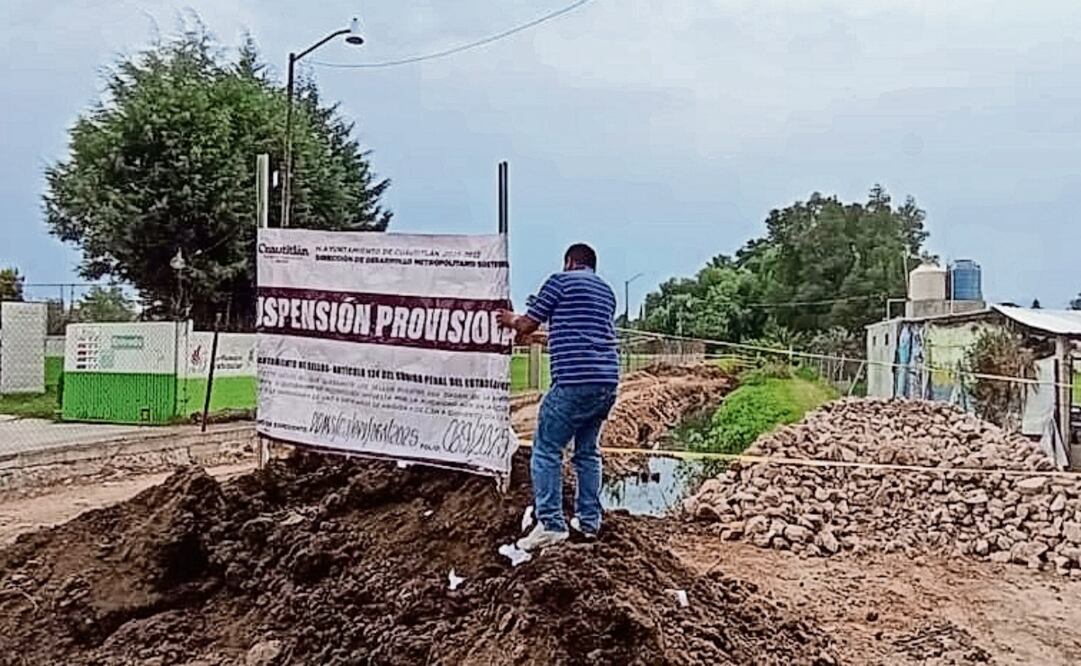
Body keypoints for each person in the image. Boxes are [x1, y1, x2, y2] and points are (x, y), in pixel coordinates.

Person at [498, 243, 619, 551]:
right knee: (587, 452)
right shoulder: (606, 292)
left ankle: (551, 524)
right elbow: (572, 334)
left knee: (546, 449)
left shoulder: (560, 282)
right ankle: (588, 521)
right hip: (605, 382)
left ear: (569, 262)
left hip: (573, 381)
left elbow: (527, 323)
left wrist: (510, 319)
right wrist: (538, 338)